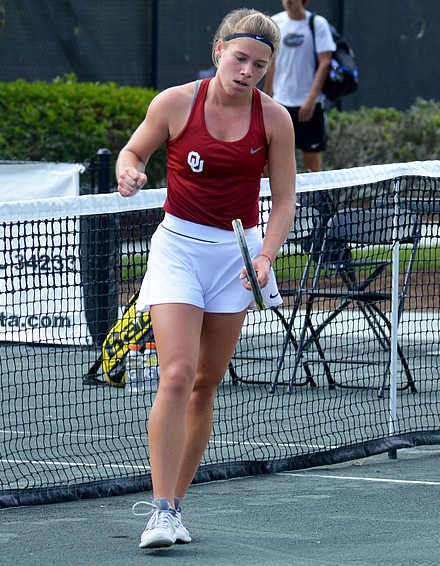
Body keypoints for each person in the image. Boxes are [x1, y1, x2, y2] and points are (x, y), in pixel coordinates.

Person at [115, 8, 296, 550]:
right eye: (240, 58)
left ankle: (176, 508)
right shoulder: (174, 103)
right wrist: (129, 170)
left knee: (204, 384)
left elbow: (284, 200)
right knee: (176, 374)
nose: (247, 71)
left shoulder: (275, 120)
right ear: (219, 50)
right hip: (177, 248)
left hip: (235, 257)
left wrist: (265, 256)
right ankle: (159, 511)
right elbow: (133, 151)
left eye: (259, 65)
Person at [264, 0, 336, 172]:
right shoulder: (275, 23)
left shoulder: (318, 24)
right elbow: (271, 64)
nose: (288, 1)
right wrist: (266, 99)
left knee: (312, 164)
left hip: (310, 107)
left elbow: (325, 62)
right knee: (270, 161)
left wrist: (310, 100)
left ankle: (315, 193)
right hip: (281, 104)